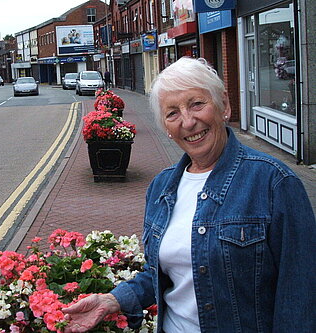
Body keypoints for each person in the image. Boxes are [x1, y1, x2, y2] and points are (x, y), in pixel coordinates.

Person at [63, 57, 316, 332]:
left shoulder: (274, 182)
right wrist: (113, 299)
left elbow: (300, 293)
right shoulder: (162, 187)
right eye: (172, 113)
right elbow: (165, 273)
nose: (188, 121)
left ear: (224, 106)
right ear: (167, 129)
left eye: (197, 104)